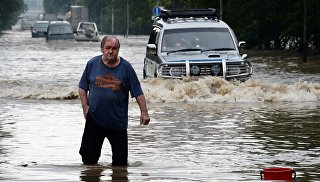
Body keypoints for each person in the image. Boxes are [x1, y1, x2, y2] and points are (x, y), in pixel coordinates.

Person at [78, 35, 150, 166]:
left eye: (114, 48)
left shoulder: (126, 68)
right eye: (108, 48)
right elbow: (83, 87)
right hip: (94, 120)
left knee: (120, 164)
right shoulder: (92, 64)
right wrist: (85, 107)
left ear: (118, 50)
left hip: (117, 123)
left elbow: (138, 92)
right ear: (102, 49)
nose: (111, 51)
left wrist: (144, 112)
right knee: (88, 160)